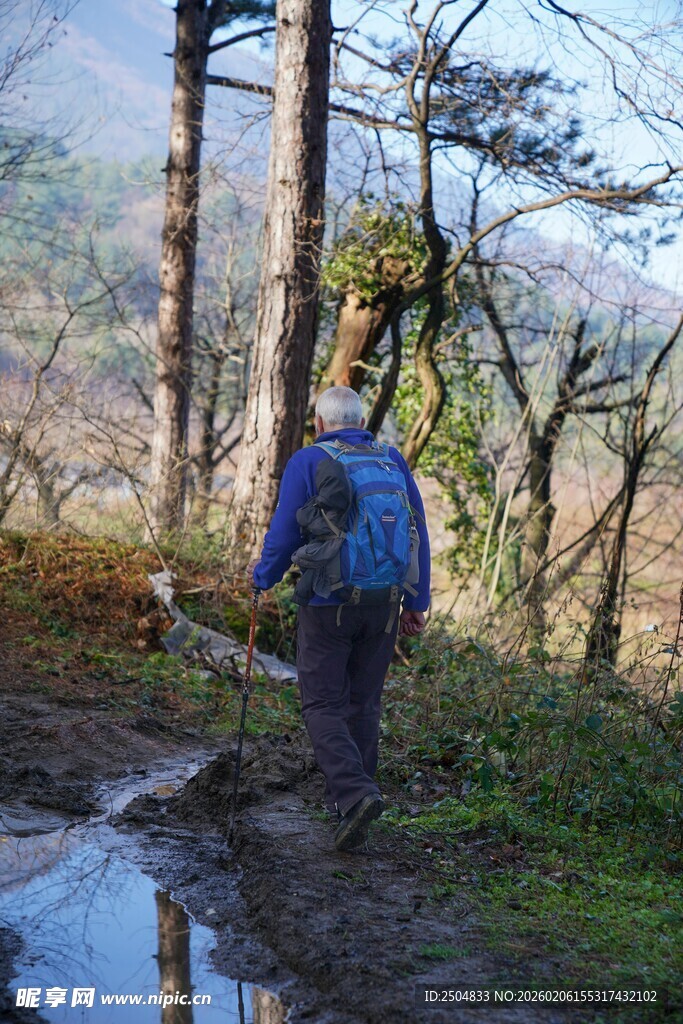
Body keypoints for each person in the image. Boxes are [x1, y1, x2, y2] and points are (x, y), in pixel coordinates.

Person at [247, 386, 430, 851]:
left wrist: (262, 578)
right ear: (361, 419)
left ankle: (355, 795)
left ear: (320, 422)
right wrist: (415, 600)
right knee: (363, 705)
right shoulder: (391, 459)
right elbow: (417, 530)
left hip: (329, 603)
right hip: (385, 602)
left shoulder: (309, 460)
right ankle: (350, 810)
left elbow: (285, 529)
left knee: (322, 705)